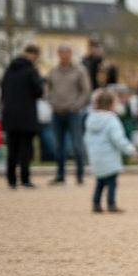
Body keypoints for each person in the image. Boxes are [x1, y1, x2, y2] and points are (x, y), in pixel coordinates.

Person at [83, 88, 136, 213]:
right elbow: (118, 139)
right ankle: (111, 203)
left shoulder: (90, 119)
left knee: (100, 182)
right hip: (109, 157)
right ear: (111, 104)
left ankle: (96, 203)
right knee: (112, 182)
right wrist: (130, 149)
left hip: (95, 157)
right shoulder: (111, 120)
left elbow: (86, 138)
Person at [47, 43, 92, 185]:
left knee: (77, 144)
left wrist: (77, 105)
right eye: (61, 52)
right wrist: (52, 102)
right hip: (57, 112)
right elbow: (49, 89)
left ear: (70, 54)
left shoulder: (80, 70)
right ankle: (60, 175)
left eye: (66, 52)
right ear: (59, 54)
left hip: (74, 112)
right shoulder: (53, 71)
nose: (64, 55)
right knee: (59, 145)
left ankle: (80, 175)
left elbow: (86, 90)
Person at [0, 44, 44, 189]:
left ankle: (11, 179)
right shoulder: (31, 70)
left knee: (12, 148)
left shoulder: (9, 70)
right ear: (34, 55)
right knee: (25, 149)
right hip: (26, 115)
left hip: (10, 114)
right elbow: (38, 91)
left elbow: (2, 89)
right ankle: (25, 179)